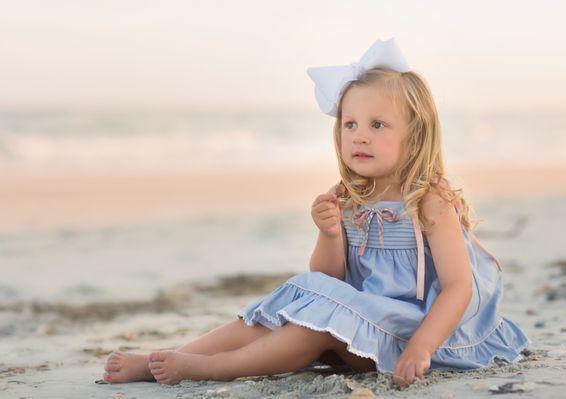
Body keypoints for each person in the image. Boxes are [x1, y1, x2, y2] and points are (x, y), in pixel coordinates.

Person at [103, 37, 530, 388]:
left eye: (377, 125)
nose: (360, 136)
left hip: (421, 332)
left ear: (415, 137)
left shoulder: (429, 198)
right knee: (286, 310)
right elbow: (328, 282)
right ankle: (172, 356)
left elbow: (458, 289)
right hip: (360, 321)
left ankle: (207, 369)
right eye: (350, 124)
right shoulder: (347, 196)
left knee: (316, 326)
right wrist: (329, 234)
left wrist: (421, 347)